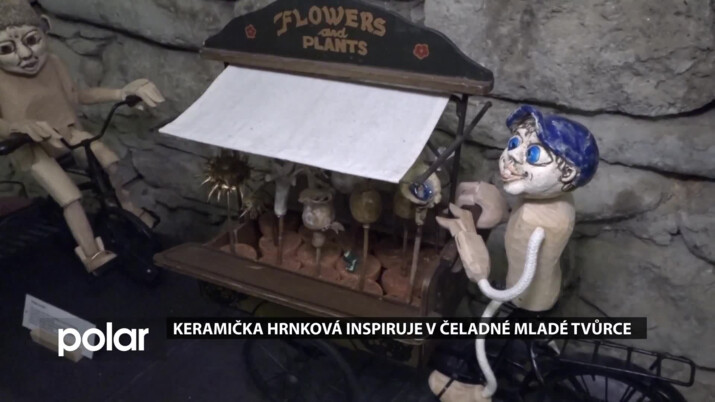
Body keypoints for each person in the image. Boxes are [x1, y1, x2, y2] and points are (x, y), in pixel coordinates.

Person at [0, 0, 165, 273]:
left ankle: (129, 208)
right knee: (70, 197)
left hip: (67, 132)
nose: (25, 54)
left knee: (108, 161)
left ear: (45, 29)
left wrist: (121, 93)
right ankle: (92, 253)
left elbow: (78, 96)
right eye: (7, 49)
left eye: (32, 40)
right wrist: (18, 127)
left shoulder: (54, 63)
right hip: (31, 147)